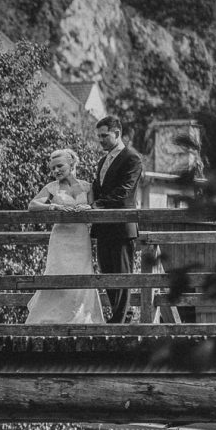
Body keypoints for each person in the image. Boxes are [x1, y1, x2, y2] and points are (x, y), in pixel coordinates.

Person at [25, 148, 105, 324]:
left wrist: (89, 208)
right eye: (53, 168)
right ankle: (52, 319)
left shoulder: (86, 186)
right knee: (57, 271)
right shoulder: (51, 187)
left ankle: (80, 318)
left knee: (81, 272)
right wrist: (51, 206)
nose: (56, 171)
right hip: (60, 238)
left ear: (72, 164)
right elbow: (33, 205)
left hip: (80, 237)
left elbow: (94, 206)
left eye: (59, 166)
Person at [89, 116, 145, 323]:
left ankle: (120, 320)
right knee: (107, 273)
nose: (100, 140)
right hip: (103, 226)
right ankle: (122, 316)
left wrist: (98, 204)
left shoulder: (132, 158)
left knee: (122, 273)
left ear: (117, 133)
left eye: (104, 135)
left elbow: (125, 190)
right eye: (98, 136)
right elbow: (97, 188)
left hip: (122, 226)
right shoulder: (102, 161)